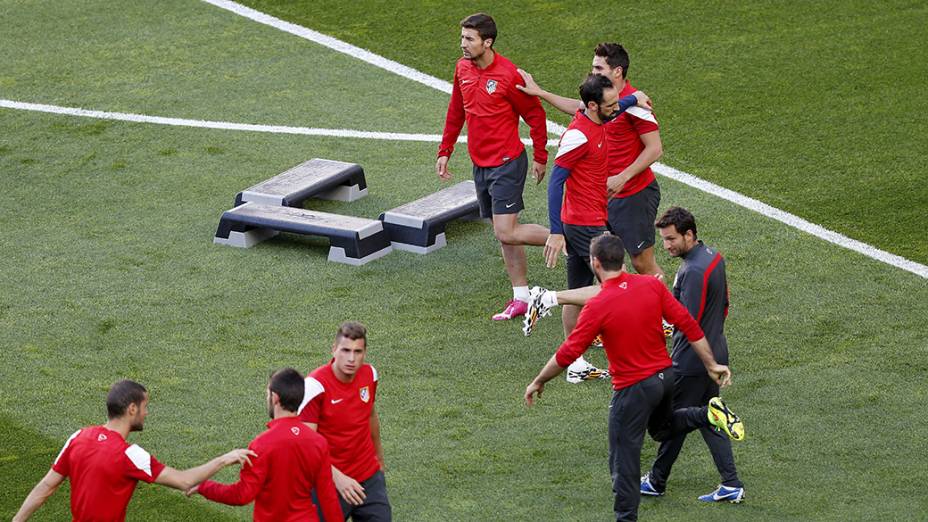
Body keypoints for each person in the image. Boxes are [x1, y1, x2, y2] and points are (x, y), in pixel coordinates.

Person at [523, 234, 744, 522]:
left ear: (595, 263)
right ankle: (707, 414)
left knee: (623, 463)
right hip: (666, 378)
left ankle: (625, 518)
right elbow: (689, 325)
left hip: (633, 390)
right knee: (663, 430)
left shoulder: (599, 304)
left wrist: (539, 380)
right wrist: (712, 364)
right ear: (623, 260)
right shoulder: (651, 285)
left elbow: (568, 353)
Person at [517, 42, 665, 280]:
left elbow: (655, 149)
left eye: (598, 68)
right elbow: (581, 108)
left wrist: (623, 177)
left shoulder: (636, 106)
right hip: (601, 198)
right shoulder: (601, 103)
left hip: (632, 195)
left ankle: (665, 313)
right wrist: (541, 93)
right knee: (602, 266)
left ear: (617, 71)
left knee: (641, 262)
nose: (593, 73)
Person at [437, 12, 551, 321]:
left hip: (507, 163)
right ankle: (521, 297)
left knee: (506, 229)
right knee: (505, 235)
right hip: (481, 164)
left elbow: (535, 115)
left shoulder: (509, 75)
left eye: (469, 39)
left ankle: (565, 238)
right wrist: (445, 149)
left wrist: (540, 155)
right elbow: (456, 110)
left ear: (487, 42)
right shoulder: (462, 68)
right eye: (462, 37)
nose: (463, 44)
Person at [13, 380, 255, 522]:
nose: (146, 413)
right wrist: (224, 459)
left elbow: (46, 487)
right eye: (145, 407)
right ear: (131, 409)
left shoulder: (78, 437)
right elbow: (184, 481)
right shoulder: (128, 454)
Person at [544, 73, 649, 383]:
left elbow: (617, 106)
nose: (616, 109)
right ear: (592, 106)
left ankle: (574, 362)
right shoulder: (578, 135)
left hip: (586, 217)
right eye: (611, 105)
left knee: (580, 291)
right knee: (614, 288)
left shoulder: (597, 116)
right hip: (582, 223)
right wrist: (555, 230)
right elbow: (555, 182)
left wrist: (634, 98)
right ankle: (547, 298)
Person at [638, 207, 744, 502]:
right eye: (664, 240)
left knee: (674, 421)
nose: (667, 245)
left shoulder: (693, 271)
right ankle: (732, 483)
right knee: (709, 416)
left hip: (693, 359)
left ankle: (657, 481)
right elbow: (723, 305)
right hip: (715, 348)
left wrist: (659, 303)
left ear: (689, 234)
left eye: (671, 239)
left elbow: (686, 320)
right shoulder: (712, 256)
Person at [189, 368, 343, 521]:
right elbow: (328, 497)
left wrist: (205, 487)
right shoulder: (318, 443)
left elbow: (242, 495)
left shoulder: (262, 444)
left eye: (267, 394)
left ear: (275, 397)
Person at [299, 322, 391, 521]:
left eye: (357, 352)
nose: (351, 358)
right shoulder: (315, 386)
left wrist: (379, 459)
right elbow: (307, 446)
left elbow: (370, 416)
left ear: (365, 352)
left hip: (368, 477)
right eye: (345, 350)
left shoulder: (370, 375)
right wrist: (338, 479)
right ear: (334, 350)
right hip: (327, 483)